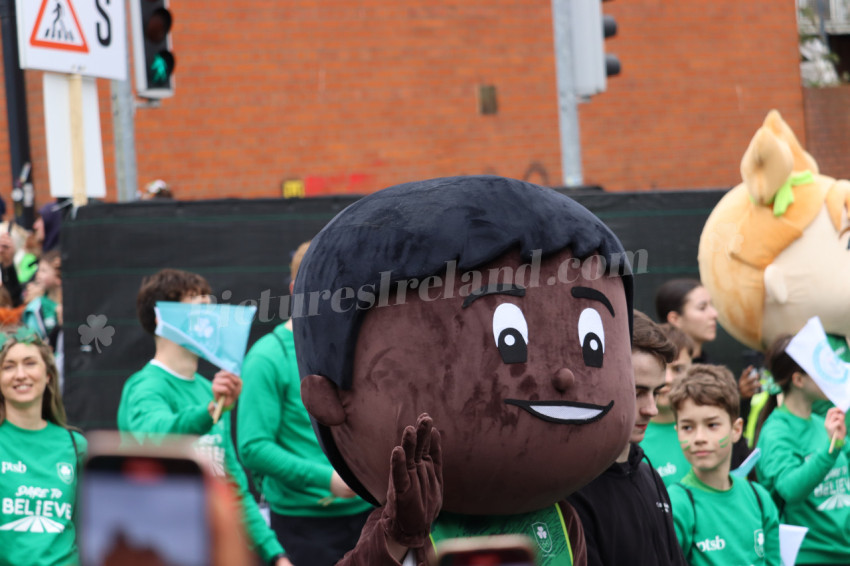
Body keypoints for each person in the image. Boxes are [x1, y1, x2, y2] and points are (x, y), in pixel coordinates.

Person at [295, 176, 640, 565]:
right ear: (332, 398)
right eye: (510, 342)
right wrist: (398, 533)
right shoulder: (412, 528)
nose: (564, 376)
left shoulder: (562, 519)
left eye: (593, 345)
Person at [116, 268, 291, 566]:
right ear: (162, 319)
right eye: (198, 310)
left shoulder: (206, 390)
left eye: (210, 308)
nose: (210, 319)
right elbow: (155, 437)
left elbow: (232, 487)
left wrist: (275, 555)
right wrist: (210, 411)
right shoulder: (144, 388)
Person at [238, 240, 372, 566]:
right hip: (305, 527)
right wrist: (326, 479)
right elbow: (253, 446)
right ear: (297, 288)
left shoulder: (359, 349)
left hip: (369, 517)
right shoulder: (268, 357)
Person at [568, 311, 685, 566]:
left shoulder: (649, 476)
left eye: (656, 392)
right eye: (637, 392)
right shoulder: (570, 491)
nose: (651, 408)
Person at [667, 364, 780, 565]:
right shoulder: (677, 504)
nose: (699, 438)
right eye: (687, 427)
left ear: (736, 430)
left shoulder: (759, 499)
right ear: (677, 431)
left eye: (712, 425)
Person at [754, 335, 850, 565]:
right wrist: (831, 449)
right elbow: (790, 489)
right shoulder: (776, 432)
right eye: (822, 367)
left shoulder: (820, 424)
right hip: (808, 557)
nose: (832, 373)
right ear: (798, 380)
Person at [0, 327, 86, 566]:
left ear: (48, 374)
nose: (20, 374)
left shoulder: (75, 445)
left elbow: (88, 529)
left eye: (30, 363)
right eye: (8, 366)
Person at [641, 323, 695, 486]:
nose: (668, 379)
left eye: (678, 369)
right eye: (663, 368)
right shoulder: (631, 437)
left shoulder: (710, 428)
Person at [654, 279, 717, 364]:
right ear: (675, 319)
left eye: (711, 305)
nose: (715, 314)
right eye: (702, 308)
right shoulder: (660, 368)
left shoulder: (713, 368)